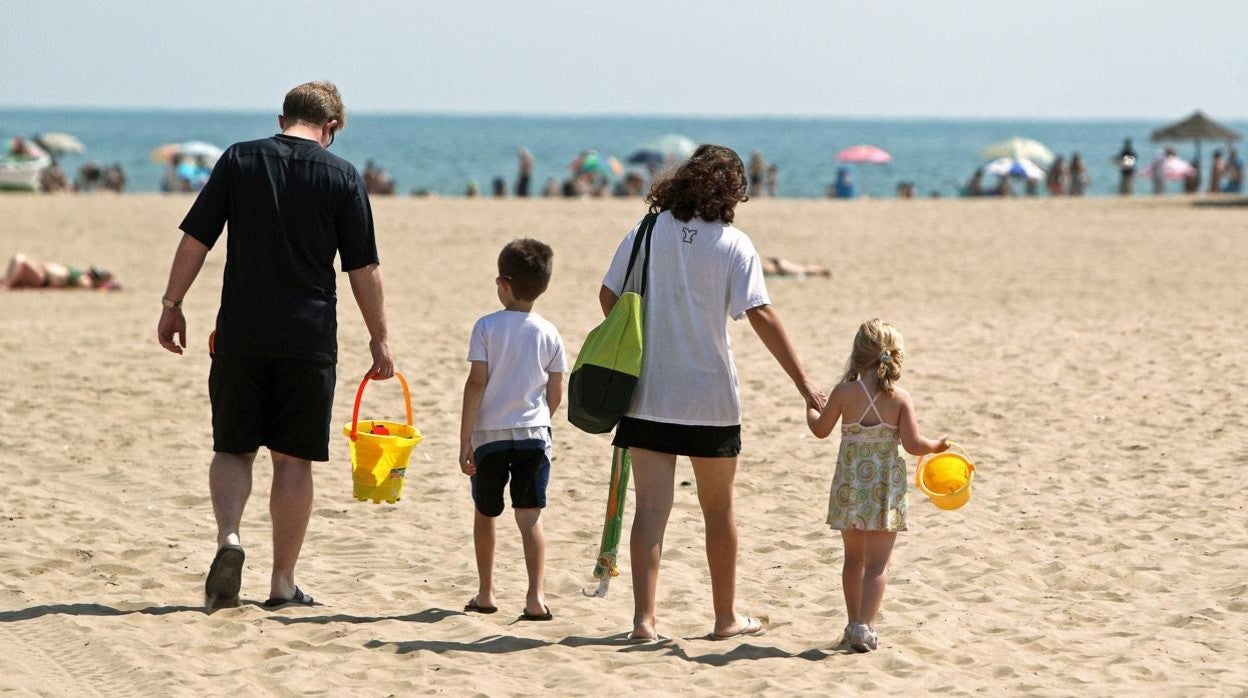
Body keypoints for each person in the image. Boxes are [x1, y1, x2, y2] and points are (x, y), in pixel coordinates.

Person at [155, 80, 395, 608]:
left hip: (240, 332)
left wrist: (172, 305)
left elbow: (196, 239)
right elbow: (363, 269)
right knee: (292, 461)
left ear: (282, 115)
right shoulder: (342, 175)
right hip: (307, 338)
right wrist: (379, 339)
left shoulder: (239, 160)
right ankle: (282, 581)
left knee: (232, 446)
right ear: (329, 127)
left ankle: (230, 538)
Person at [598, 144, 823, 642]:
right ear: (731, 193)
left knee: (651, 512)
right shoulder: (734, 244)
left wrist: (641, 332)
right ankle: (724, 619)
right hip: (710, 396)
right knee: (718, 510)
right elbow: (760, 313)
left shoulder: (646, 231)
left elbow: (609, 294)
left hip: (647, 392)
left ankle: (644, 621)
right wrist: (804, 383)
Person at [805, 319, 949, 653]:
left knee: (853, 559)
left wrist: (810, 410)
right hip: (884, 489)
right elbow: (913, 445)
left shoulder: (843, 393)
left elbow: (820, 430)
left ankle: (852, 622)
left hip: (851, 486)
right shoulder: (899, 398)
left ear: (857, 355)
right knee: (878, 565)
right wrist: (936, 445)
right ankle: (864, 628)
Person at [458, 239, 566, 621]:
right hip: (534, 434)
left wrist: (465, 437)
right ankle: (535, 597)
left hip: (490, 436)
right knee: (530, 516)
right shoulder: (550, 332)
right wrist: (539, 418)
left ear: (503, 283)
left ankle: (486, 592)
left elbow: (476, 383)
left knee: (486, 512)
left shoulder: (486, 326)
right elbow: (555, 392)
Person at [2, 253, 120, 290]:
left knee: (19, 258)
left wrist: (104, 285)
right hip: (40, 274)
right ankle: (6, 283)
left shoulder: (85, 281)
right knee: (16, 267)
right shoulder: (82, 275)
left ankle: (5, 286)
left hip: (44, 278)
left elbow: (85, 286)